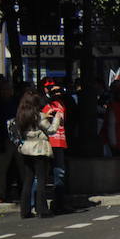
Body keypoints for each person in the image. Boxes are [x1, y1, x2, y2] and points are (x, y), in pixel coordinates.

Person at [16, 91, 62, 218]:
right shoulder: (39, 116)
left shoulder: (22, 115)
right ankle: (42, 209)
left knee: (28, 180)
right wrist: (57, 118)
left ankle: (25, 210)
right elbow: (51, 130)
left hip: (26, 149)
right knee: (41, 180)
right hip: (39, 149)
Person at [0, 74, 25, 202]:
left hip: (17, 137)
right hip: (4, 139)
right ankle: (0, 194)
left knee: (22, 167)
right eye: (3, 90)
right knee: (1, 169)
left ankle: (25, 192)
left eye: (8, 90)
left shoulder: (16, 103)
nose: (6, 92)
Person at [41, 83, 72, 213]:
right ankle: (39, 204)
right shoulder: (45, 106)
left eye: (59, 91)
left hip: (60, 141)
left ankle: (60, 203)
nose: (57, 94)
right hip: (49, 142)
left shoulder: (62, 105)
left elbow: (64, 122)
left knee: (60, 173)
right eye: (54, 92)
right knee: (42, 174)